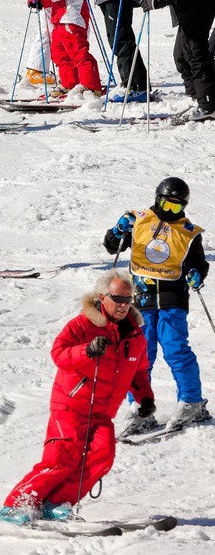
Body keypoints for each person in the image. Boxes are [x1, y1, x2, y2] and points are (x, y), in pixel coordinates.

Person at [0, 274, 146, 523]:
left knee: (103, 456)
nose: (123, 304)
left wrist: (145, 397)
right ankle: (16, 506)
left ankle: (55, 503)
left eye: (128, 299)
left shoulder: (135, 335)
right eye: (117, 298)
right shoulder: (82, 325)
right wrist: (86, 350)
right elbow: (59, 354)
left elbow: (138, 371)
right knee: (61, 460)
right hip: (71, 406)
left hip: (102, 412)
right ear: (102, 298)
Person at [103, 177, 209, 433]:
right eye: (166, 205)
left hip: (173, 299)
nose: (170, 211)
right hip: (141, 298)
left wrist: (196, 273)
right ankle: (141, 408)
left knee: (176, 350)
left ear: (184, 206)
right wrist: (118, 231)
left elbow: (198, 262)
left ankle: (191, 401)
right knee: (139, 354)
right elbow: (110, 246)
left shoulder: (188, 232)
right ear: (156, 198)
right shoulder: (139, 221)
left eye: (176, 207)